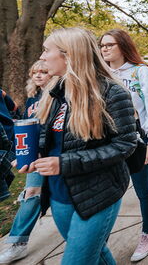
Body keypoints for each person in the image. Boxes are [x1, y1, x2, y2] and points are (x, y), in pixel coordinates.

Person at [20, 27, 137, 265]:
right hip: (59, 194)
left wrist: (65, 163)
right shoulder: (55, 91)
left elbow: (125, 145)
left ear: (68, 55)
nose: (42, 57)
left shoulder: (112, 92)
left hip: (98, 193)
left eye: (46, 50)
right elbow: (48, 137)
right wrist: (34, 156)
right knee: (98, 254)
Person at [100, 29, 148, 262]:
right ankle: (100, 238)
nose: (105, 49)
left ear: (123, 46)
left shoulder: (141, 72)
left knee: (143, 189)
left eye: (110, 44)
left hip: (140, 142)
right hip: (110, 143)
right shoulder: (102, 74)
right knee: (108, 192)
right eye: (102, 45)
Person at [0, 60, 51, 264]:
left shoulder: (62, 95)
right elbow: (24, 124)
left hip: (59, 155)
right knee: (31, 194)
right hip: (35, 157)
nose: (38, 75)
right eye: (35, 72)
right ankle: (18, 244)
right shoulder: (32, 99)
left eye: (44, 72)